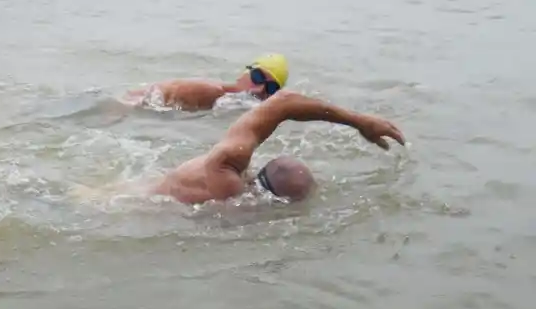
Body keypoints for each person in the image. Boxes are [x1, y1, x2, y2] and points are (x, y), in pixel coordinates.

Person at [72, 90, 405, 206]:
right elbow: (283, 102)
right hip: (107, 205)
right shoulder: (226, 167)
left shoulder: (237, 186)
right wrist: (359, 120)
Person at [123, 54, 291, 112]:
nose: (260, 88)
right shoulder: (211, 92)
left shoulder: (231, 102)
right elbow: (149, 98)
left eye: (271, 87)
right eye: (258, 77)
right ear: (244, 74)